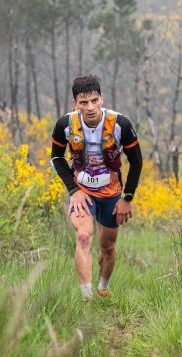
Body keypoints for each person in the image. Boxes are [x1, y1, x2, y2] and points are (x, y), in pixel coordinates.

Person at [51, 74, 142, 299]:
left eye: (94, 100)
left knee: (107, 247)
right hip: (82, 192)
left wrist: (126, 198)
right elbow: (56, 158)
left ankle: (103, 288)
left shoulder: (121, 124)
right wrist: (74, 191)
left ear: (101, 99)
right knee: (83, 236)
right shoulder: (65, 124)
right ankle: (87, 298)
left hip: (111, 193)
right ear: (75, 104)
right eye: (83, 103)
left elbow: (137, 160)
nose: (90, 107)